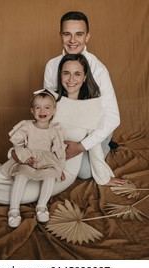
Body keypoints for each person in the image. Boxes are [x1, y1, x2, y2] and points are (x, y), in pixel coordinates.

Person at [0, 54, 126, 211]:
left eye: (77, 74)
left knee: (21, 194)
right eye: (66, 73)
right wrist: (17, 153)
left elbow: (93, 149)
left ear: (85, 77)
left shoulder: (92, 107)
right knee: (0, 176)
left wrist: (104, 177)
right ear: (60, 75)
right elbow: (33, 128)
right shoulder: (50, 100)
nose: (71, 79)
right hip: (36, 158)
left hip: (62, 170)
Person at [44, 11, 120, 180]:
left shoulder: (99, 70)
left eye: (79, 34)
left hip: (96, 125)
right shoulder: (51, 65)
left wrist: (81, 146)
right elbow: (48, 105)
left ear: (87, 37)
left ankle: (106, 143)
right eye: (67, 34)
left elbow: (113, 118)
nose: (72, 40)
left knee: (85, 173)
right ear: (60, 36)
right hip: (67, 126)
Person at [1, 91, 66, 227]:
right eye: (38, 107)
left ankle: (41, 207)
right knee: (21, 175)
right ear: (32, 110)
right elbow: (17, 143)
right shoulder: (26, 126)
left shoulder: (55, 130)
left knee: (50, 176)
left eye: (47, 107)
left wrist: (60, 168)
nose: (42, 111)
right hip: (29, 159)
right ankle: (14, 210)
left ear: (54, 110)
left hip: (47, 160)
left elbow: (59, 151)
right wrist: (24, 156)